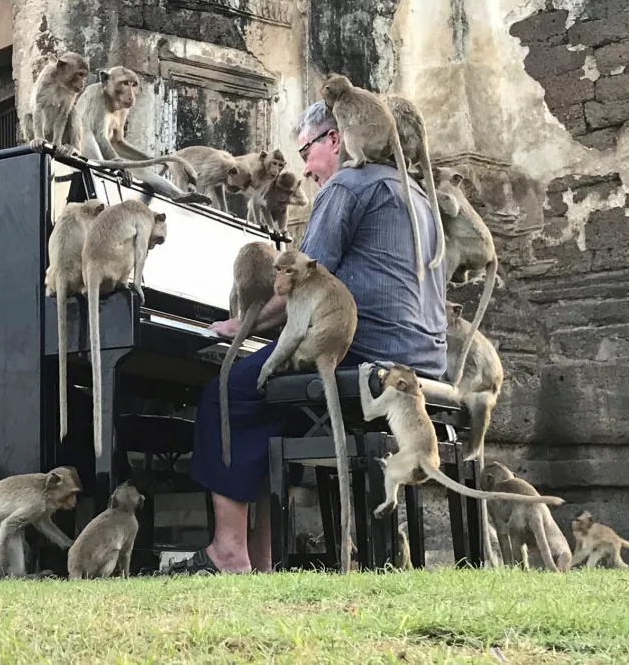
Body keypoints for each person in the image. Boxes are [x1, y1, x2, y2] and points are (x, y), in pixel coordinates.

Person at [167, 100, 448, 575]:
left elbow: (300, 283)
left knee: (228, 390)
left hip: (363, 351)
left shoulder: (349, 184)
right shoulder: (419, 195)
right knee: (274, 407)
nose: (304, 169)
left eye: (307, 151)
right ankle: (264, 556)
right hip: (424, 358)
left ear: (334, 139)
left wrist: (242, 324)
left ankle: (227, 551)